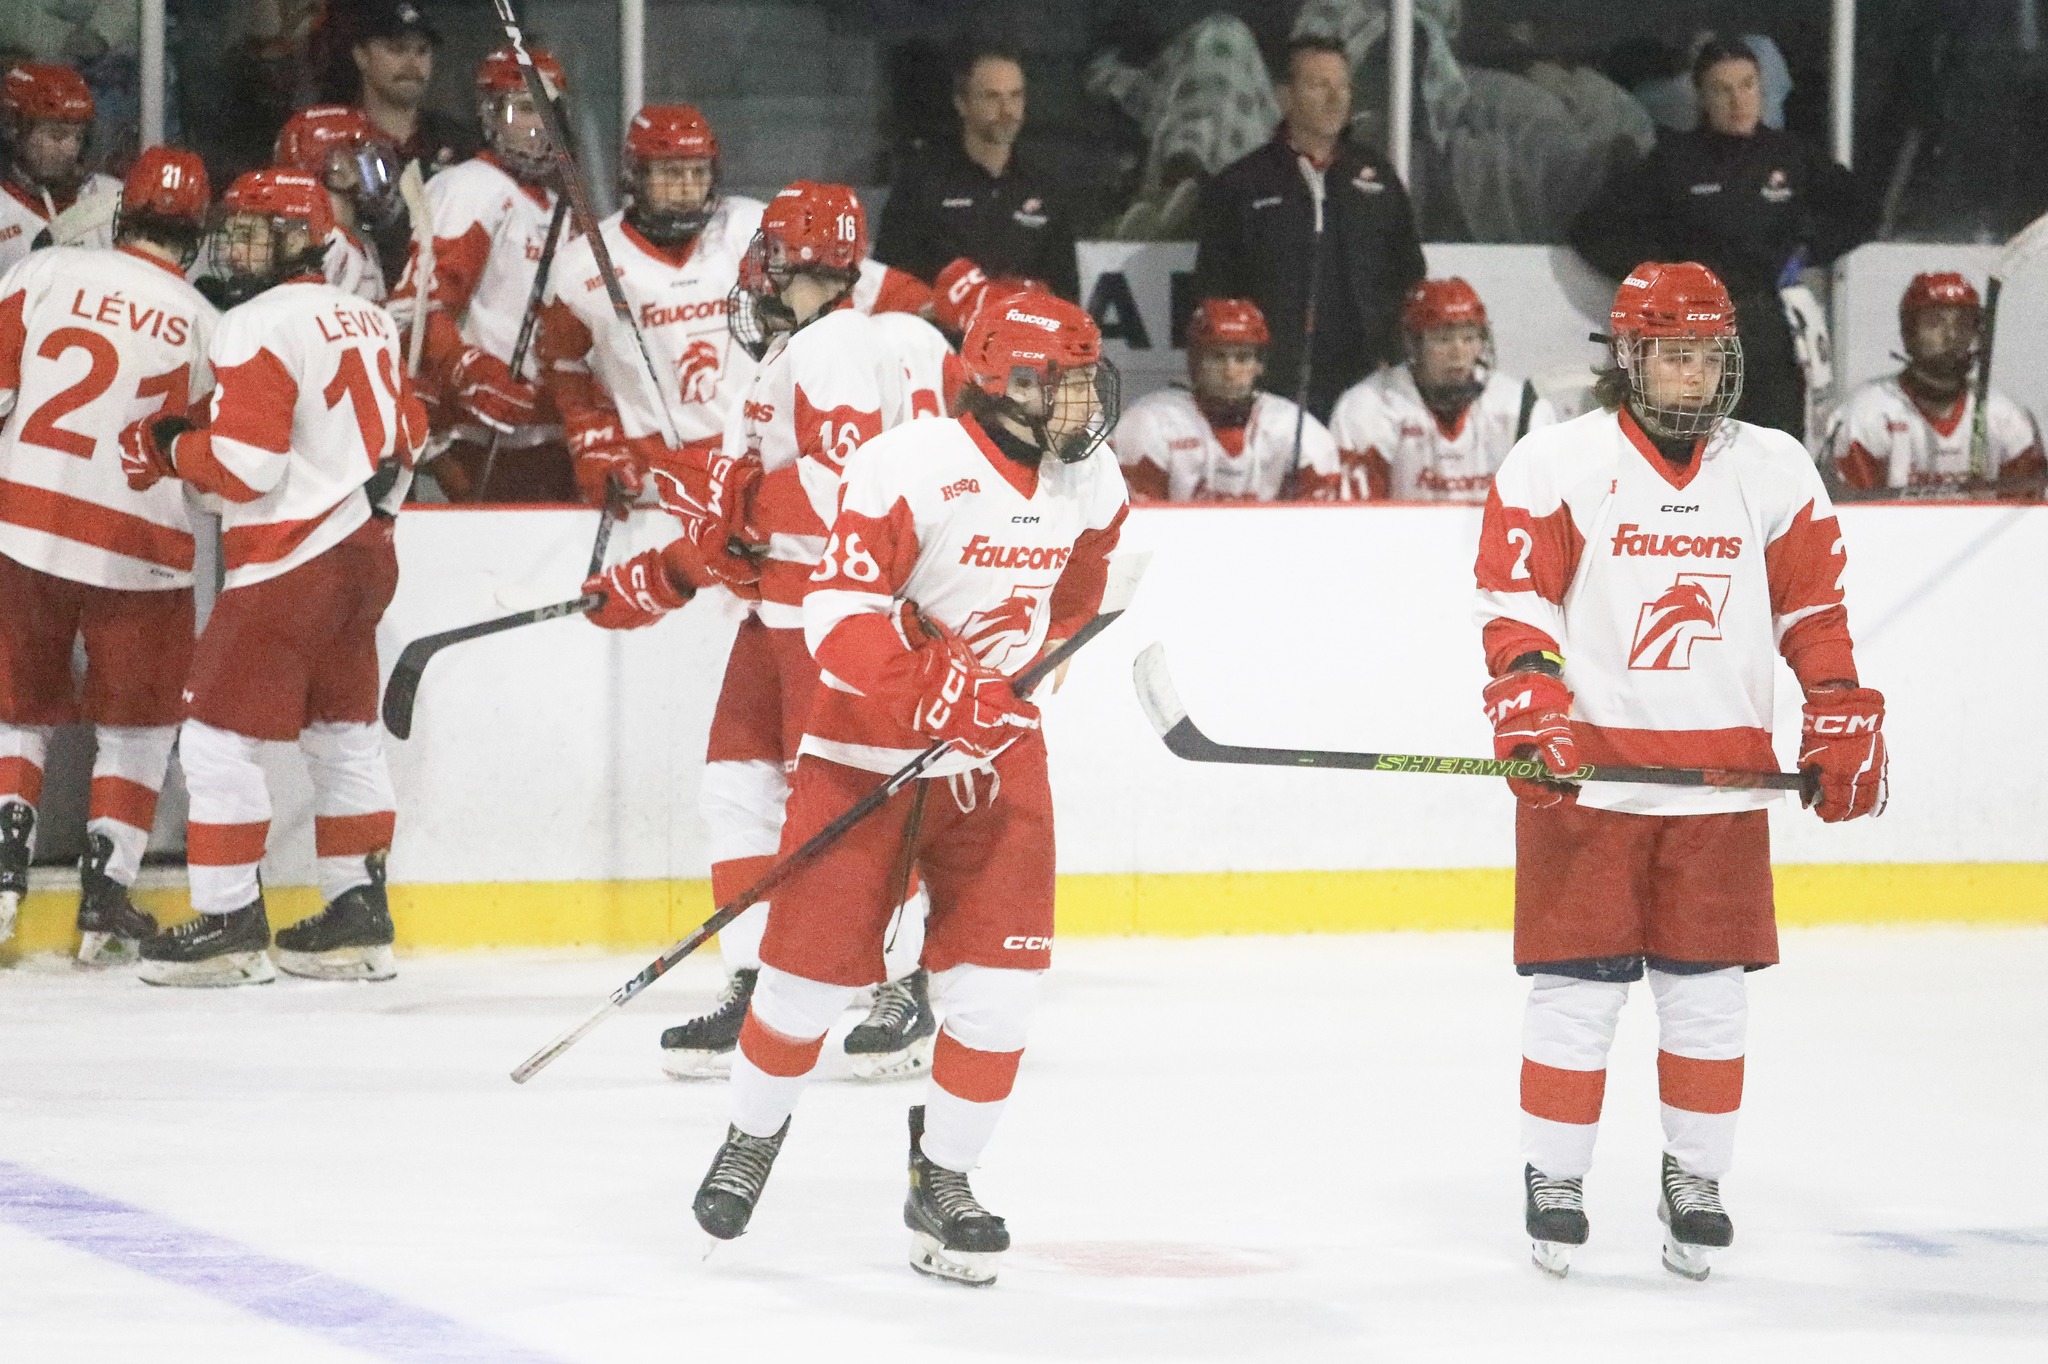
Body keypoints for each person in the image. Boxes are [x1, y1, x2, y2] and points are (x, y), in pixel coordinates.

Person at [686, 290, 1127, 1287]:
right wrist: (938, 687)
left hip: (996, 769)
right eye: (1054, 384)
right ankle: (751, 1137)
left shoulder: (1091, 482)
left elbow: (1075, 599)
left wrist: (1006, 685)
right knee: (801, 984)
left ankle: (945, 1177)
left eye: (1078, 382)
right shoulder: (908, 462)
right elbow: (835, 614)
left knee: (998, 1000)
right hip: (864, 754)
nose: (1076, 405)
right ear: (1001, 381)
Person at [1473, 260, 1887, 1281]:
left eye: (1706, 354)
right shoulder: (1555, 461)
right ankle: (1555, 1177)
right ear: (1628, 358)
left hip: (1718, 787)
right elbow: (1513, 600)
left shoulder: (1773, 465)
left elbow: (1810, 611)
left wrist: (1836, 707)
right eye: (1672, 354)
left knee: (1707, 998)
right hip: (1588, 782)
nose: (1693, 375)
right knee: (1574, 995)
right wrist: (1529, 699)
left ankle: (1693, 1178)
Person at [574, 181, 948, 1082]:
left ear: (789, 262)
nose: (756, 276)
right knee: (736, 787)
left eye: (767, 258)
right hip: (781, 607)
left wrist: (734, 511)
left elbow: (844, 484)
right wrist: (683, 562)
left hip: (833, 612)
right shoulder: (874, 342)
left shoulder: (828, 347)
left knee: (855, 801)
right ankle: (753, 979)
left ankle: (903, 986)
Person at [117, 167, 426, 987]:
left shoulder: (251, 324)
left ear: (304, 241)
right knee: (343, 733)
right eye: (239, 227)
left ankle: (228, 924)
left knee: (217, 739)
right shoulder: (369, 317)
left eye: (260, 230)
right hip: (366, 555)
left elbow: (248, 469)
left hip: (290, 559)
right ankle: (359, 917)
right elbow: (412, 436)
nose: (239, 242)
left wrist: (172, 446)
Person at [0, 147, 216, 962]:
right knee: (138, 727)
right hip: (141, 542)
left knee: (15, 708)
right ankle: (103, 907)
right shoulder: (207, 324)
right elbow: (212, 479)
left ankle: (1, 879)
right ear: (196, 236)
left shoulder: (42, 273)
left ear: (122, 215)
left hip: (24, 519)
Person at [1570, 36, 1867, 441]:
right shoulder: (1675, 161)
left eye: (1748, 85)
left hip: (1768, 330)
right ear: (1701, 96)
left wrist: (1809, 250)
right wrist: (1660, 278)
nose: (1738, 100)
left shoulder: (1790, 156)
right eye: (1723, 89)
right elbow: (1592, 230)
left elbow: (1863, 211)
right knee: (1694, 445)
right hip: (1692, 333)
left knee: (1772, 446)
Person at [536, 104, 762, 518]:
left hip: (751, 465)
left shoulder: (748, 231)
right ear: (634, 176)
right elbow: (561, 364)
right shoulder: (583, 264)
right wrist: (595, 442)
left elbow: (844, 285)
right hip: (653, 478)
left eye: (697, 173)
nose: (686, 188)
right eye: (670, 174)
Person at [1193, 34, 1425, 422]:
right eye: (1320, 86)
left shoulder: (1377, 177)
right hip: (1270, 382)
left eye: (1343, 86)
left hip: (1365, 381)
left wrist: (1394, 353)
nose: (1336, 99)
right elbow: (1213, 288)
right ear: (1285, 97)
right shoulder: (1242, 183)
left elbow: (1409, 275)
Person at [389, 44, 566, 503]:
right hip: (476, 439)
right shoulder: (470, 186)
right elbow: (415, 311)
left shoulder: (559, 203)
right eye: (523, 109)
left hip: (549, 434)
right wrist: (469, 370)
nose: (537, 124)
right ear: (490, 115)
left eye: (546, 110)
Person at [872, 46, 1080, 301]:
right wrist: (944, 308)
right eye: (992, 97)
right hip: (941, 338)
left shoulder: (1046, 189)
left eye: (1015, 96)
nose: (1007, 110)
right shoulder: (922, 184)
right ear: (962, 103)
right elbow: (887, 284)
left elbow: (1066, 297)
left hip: (1019, 338)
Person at [1327, 277, 1554, 502]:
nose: (1458, 352)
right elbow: (1356, 519)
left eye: (1469, 338)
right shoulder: (1370, 407)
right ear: (1415, 345)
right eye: (1443, 339)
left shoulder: (1518, 408)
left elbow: (1546, 508)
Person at [1826, 272, 2045, 500]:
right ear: (1908, 333)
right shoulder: (1865, 417)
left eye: (1962, 324)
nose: (1950, 336)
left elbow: (2028, 517)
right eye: (1934, 323)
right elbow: (1852, 517)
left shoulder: (2008, 419)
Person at [1112, 296, 1342, 501]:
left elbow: (1319, 527)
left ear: (1259, 365)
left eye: (1242, 359)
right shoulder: (1151, 421)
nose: (1230, 372)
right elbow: (1140, 526)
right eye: (1217, 357)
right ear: (1196, 362)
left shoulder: (1294, 426)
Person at [270, 104, 401, 301]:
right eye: (358, 159)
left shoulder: (358, 237)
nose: (367, 170)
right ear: (338, 167)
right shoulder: (321, 245)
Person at [0, 61, 121, 274]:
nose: (71, 149)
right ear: (14, 131)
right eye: (56, 136)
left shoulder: (111, 196)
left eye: (79, 136)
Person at [346, 0, 474, 179]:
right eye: (398, 49)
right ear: (361, 56)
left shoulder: (462, 143)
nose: (413, 64)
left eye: (422, 50)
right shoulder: (337, 142)